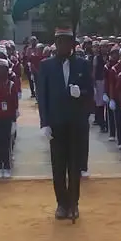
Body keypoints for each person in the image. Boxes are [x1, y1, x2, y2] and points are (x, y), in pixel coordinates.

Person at [37, 28, 93, 221]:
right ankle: (62, 203)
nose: (63, 45)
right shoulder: (46, 66)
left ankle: (74, 203)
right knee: (58, 165)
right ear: (56, 43)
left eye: (67, 41)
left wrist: (81, 93)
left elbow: (90, 92)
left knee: (75, 166)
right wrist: (44, 122)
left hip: (77, 122)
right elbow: (42, 96)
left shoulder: (83, 64)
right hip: (56, 122)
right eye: (60, 41)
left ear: (72, 44)